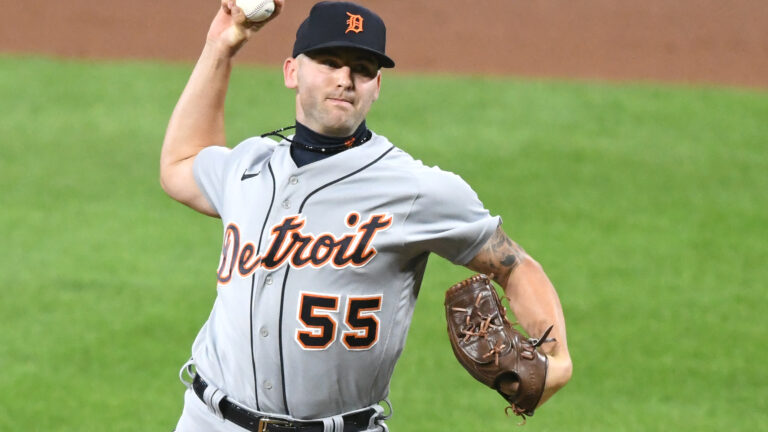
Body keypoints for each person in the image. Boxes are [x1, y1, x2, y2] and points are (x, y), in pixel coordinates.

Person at [160, 1, 572, 431]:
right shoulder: (249, 166)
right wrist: (220, 46)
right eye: (329, 61)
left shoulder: (416, 190)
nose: (344, 79)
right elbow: (181, 165)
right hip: (209, 418)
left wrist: (558, 359)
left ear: (377, 85)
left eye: (362, 68)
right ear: (291, 72)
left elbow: (516, 265)